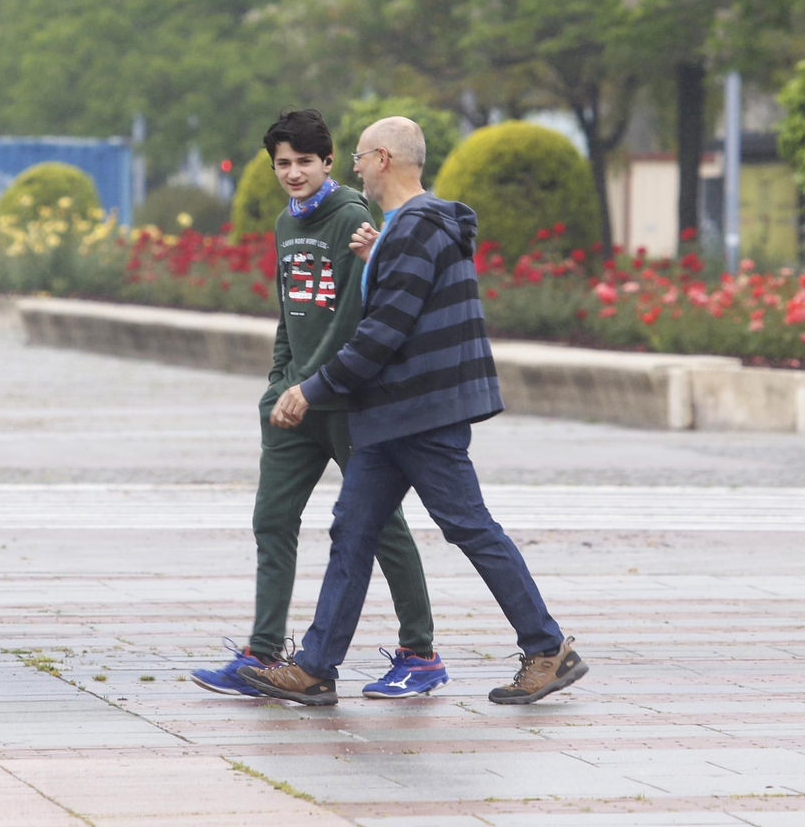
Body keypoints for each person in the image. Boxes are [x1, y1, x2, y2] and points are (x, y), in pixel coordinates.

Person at [237, 116, 587, 707]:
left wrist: (310, 388)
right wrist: (379, 256)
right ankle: (317, 668)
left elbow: (383, 333)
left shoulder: (417, 226)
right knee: (352, 531)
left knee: (469, 527)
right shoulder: (402, 230)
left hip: (422, 413)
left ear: (381, 159)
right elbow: (408, 298)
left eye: (355, 158)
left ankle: (547, 648)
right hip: (390, 415)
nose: (352, 169)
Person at [190, 108, 450, 700]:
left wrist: (311, 385)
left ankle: (421, 651)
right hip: (291, 403)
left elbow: (355, 317)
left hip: (341, 402)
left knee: (381, 525)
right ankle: (263, 653)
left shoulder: (351, 215)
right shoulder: (286, 224)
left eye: (304, 162)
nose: (293, 174)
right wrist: (278, 381)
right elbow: (292, 313)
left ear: (328, 162)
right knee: (272, 520)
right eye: (283, 164)